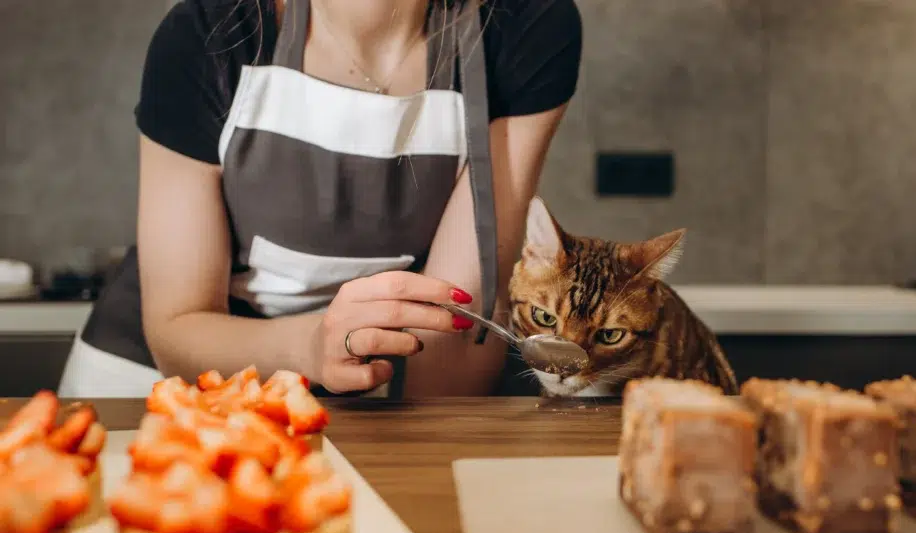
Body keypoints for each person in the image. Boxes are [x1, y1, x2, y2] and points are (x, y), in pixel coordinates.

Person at [57, 0, 582, 399]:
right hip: (157, 381)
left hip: (372, 386)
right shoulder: (207, 32)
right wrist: (310, 349)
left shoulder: (526, 25)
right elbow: (177, 328)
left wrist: (423, 447)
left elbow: (458, 313)